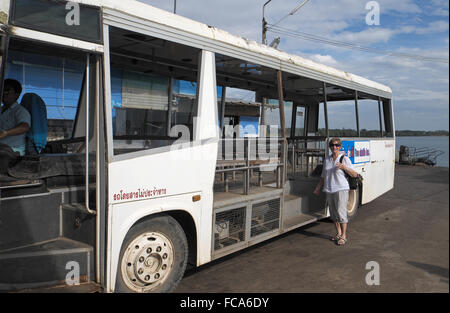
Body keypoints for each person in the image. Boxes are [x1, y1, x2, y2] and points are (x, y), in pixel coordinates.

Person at [313, 138, 358, 246]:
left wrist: (344, 167)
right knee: (333, 214)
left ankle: (344, 236)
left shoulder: (344, 158)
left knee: (341, 213)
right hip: (329, 189)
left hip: (341, 189)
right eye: (332, 145)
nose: (335, 147)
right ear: (330, 147)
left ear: (340, 147)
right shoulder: (327, 160)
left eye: (337, 145)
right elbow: (324, 176)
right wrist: (318, 187)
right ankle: (338, 233)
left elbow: (354, 174)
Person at [0, 79, 31, 156]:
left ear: (16, 95)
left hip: (13, 150)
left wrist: (6, 133)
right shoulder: (1, 109)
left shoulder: (20, 111)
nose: (3, 93)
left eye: (7, 91)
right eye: (2, 90)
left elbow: (24, 127)